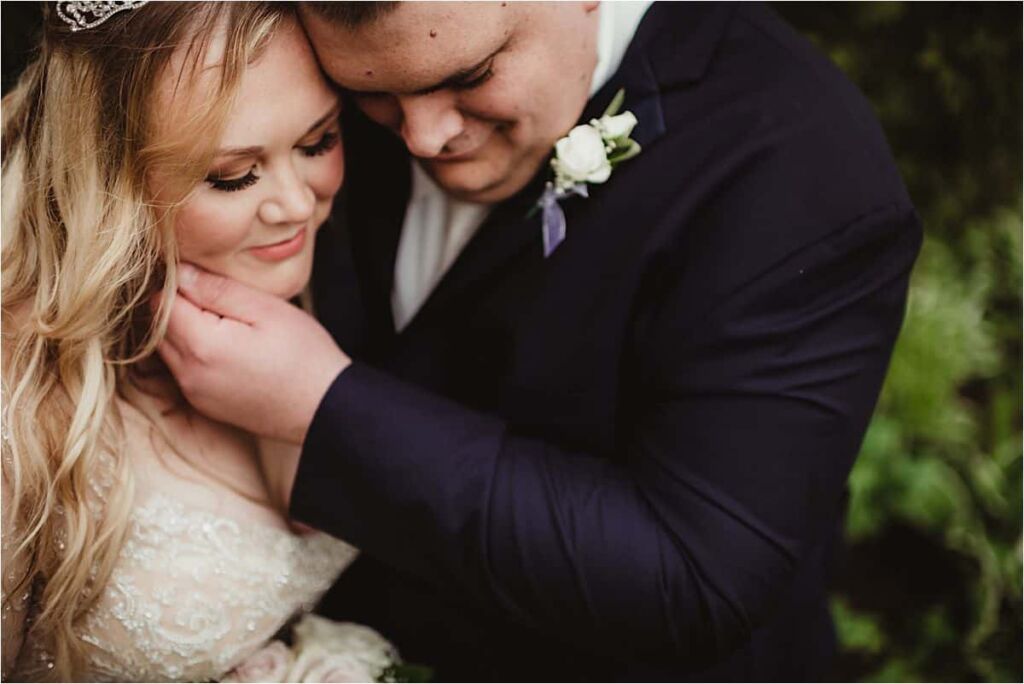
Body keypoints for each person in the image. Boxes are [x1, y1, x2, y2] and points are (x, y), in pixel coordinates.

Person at [159, 2, 924, 681]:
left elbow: (695, 579)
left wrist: (324, 408)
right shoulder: (300, 74)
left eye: (472, 74)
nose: (424, 137)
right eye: (371, 94)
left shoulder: (804, 168)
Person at [0, 3, 369, 680]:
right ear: (110, 179)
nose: (295, 203)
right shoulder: (16, 403)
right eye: (233, 175)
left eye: (317, 142)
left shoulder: (331, 293)